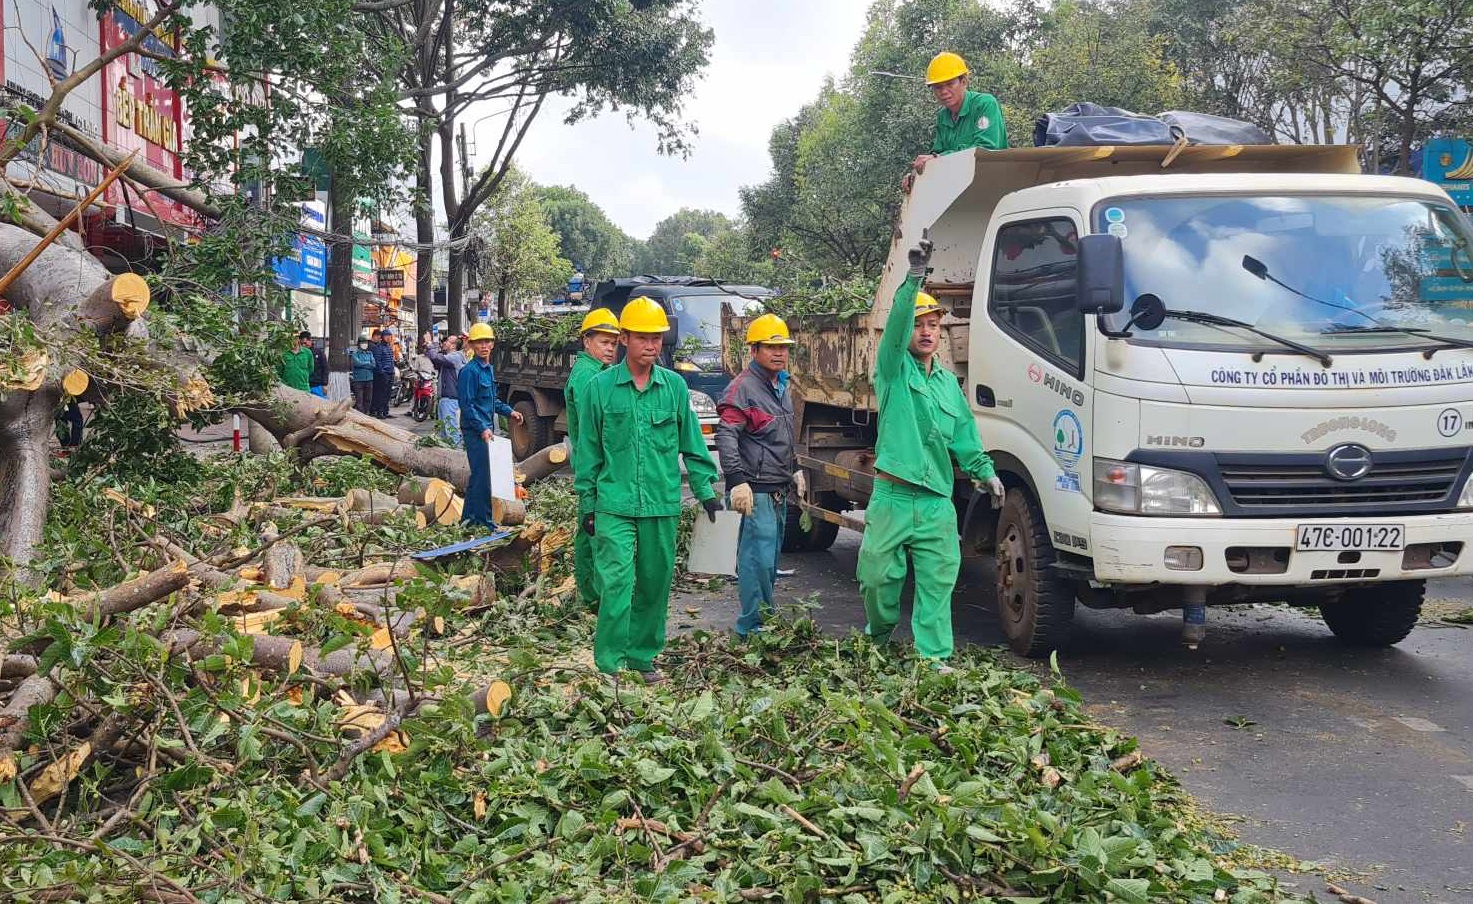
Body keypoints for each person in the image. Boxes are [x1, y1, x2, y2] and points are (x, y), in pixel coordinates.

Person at [856, 230, 1004, 668]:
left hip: (936, 502)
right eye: (920, 324)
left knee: (939, 583)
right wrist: (913, 278)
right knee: (878, 578)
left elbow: (964, 434)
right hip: (893, 498)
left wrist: (984, 469)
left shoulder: (947, 385)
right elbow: (897, 323)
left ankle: (933, 662)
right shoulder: (892, 370)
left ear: (941, 332)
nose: (925, 331)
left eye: (933, 325)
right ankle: (878, 638)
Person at [574, 298, 721, 681]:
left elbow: (693, 443)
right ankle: (609, 663)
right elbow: (588, 451)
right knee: (617, 583)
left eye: (657, 338)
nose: (652, 346)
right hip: (614, 505)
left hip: (660, 504)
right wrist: (587, 503)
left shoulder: (673, 388)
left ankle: (642, 657)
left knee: (655, 584)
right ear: (624, 338)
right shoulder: (599, 388)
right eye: (643, 338)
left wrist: (706, 490)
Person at [716, 313, 799, 638]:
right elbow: (726, 436)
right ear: (754, 350)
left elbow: (782, 434)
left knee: (770, 562)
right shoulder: (743, 389)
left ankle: (764, 621)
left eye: (784, 348)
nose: (779, 353)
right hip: (755, 491)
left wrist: (797, 469)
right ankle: (752, 629)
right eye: (771, 347)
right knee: (757, 562)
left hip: (777, 488)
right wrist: (736, 480)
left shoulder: (780, 385)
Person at [564, 307, 621, 609]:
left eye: (614, 342)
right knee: (592, 530)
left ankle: (592, 593)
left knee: (592, 530)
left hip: (597, 465)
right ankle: (594, 597)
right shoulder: (588, 376)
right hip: (596, 466)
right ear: (587, 341)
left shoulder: (598, 372)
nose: (611, 348)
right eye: (604, 342)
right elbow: (594, 431)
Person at [902, 52, 1006, 192]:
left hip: (993, 186)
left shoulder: (985, 104)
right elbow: (937, 158)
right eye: (938, 87)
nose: (944, 91)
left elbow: (986, 150)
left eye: (950, 84)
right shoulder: (943, 117)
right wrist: (916, 176)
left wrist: (938, 158)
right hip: (961, 191)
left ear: (963, 82)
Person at [458, 322, 523, 529]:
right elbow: (467, 405)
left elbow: (491, 401)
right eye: (479, 342)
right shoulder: (469, 371)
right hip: (476, 431)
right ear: (472, 345)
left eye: (487, 341)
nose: (484, 346)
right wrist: (482, 429)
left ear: (493, 344)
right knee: (483, 476)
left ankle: (469, 519)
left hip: (487, 430)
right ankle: (482, 520)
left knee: (484, 476)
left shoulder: (487, 370)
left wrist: (510, 411)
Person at [425, 333, 467, 446]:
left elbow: (435, 357)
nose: (445, 343)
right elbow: (436, 361)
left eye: (448, 341)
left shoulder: (455, 356)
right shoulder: (450, 358)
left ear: (453, 346)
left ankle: (457, 457)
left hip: (451, 400)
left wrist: (430, 343)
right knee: (443, 433)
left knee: (452, 432)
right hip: (446, 400)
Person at [370, 328, 395, 418]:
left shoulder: (389, 347)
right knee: (381, 393)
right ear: (382, 337)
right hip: (383, 374)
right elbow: (377, 361)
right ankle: (380, 411)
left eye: (389, 336)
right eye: (386, 336)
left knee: (388, 394)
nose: (388, 338)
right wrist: (382, 372)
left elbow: (391, 360)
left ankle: (385, 411)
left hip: (390, 373)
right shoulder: (378, 348)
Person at [350, 332, 376, 414]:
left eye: (366, 342)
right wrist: (367, 363)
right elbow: (357, 363)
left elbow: (373, 365)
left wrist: (364, 364)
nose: (365, 344)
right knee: (359, 400)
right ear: (359, 344)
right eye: (363, 342)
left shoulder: (370, 353)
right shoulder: (355, 354)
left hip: (369, 379)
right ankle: (360, 415)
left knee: (368, 399)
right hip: (358, 380)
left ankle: (367, 414)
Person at [307, 334, 330, 399]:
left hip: (317, 385)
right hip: (305, 384)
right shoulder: (301, 353)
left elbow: (325, 368)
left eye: (306, 342)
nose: (304, 345)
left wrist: (325, 384)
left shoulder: (319, 352)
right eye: (302, 343)